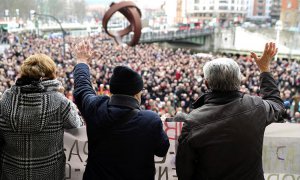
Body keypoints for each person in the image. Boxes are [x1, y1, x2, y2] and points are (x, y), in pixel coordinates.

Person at [176, 42, 285, 180]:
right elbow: (277, 105)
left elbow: (184, 172)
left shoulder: (192, 122)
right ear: (239, 81)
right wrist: (264, 69)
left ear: (207, 84)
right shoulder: (257, 107)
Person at [72, 42, 170, 180]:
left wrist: (82, 61)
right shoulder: (150, 120)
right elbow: (162, 150)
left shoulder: (95, 108)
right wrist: (158, 126)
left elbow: (82, 88)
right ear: (137, 94)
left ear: (112, 91)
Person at [0, 54, 82, 180]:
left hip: (12, 173)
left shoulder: (5, 100)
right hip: (50, 173)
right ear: (51, 74)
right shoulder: (59, 101)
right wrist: (68, 103)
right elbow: (77, 127)